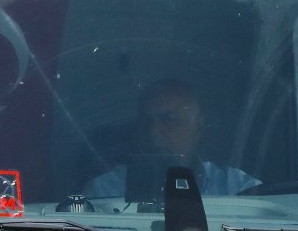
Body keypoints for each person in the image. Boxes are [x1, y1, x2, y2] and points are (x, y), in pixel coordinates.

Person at [82, 78, 258, 202]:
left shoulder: (235, 188)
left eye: (169, 118)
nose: (154, 130)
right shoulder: (105, 190)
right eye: (146, 121)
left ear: (198, 127)